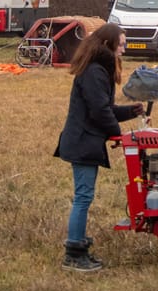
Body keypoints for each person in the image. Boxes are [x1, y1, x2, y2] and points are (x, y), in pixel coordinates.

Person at [54, 23, 144, 272]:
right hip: (83, 141)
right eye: (122, 44)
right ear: (108, 44)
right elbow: (99, 111)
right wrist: (119, 134)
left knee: (84, 195)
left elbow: (105, 108)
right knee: (83, 197)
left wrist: (130, 111)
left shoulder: (98, 69)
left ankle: (79, 246)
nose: (124, 50)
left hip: (85, 140)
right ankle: (74, 252)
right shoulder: (95, 71)